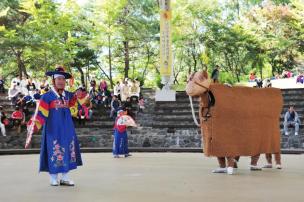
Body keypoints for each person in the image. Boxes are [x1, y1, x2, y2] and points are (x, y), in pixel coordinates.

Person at [26, 66, 83, 186]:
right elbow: (41, 114)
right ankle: (53, 177)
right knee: (54, 150)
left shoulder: (68, 95)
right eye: (58, 79)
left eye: (63, 79)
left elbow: (74, 109)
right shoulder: (46, 96)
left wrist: (77, 100)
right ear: (54, 81)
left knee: (68, 149)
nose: (61, 81)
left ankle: (65, 177)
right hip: (53, 129)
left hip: (67, 128)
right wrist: (34, 125)